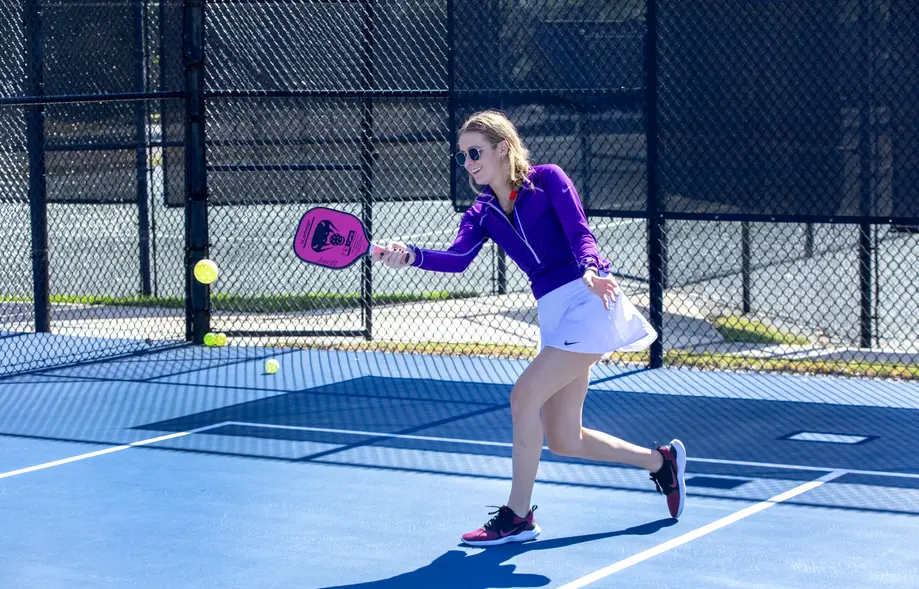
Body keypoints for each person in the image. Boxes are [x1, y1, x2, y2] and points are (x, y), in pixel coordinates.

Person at [379, 110, 686, 547]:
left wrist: (592, 270)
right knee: (564, 438)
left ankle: (518, 516)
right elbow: (458, 259)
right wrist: (409, 254)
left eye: (474, 152)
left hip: (588, 299)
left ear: (503, 148)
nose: (467, 163)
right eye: (462, 156)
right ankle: (661, 463)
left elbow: (581, 232)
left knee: (523, 397)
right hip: (553, 313)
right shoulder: (482, 211)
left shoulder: (549, 179)